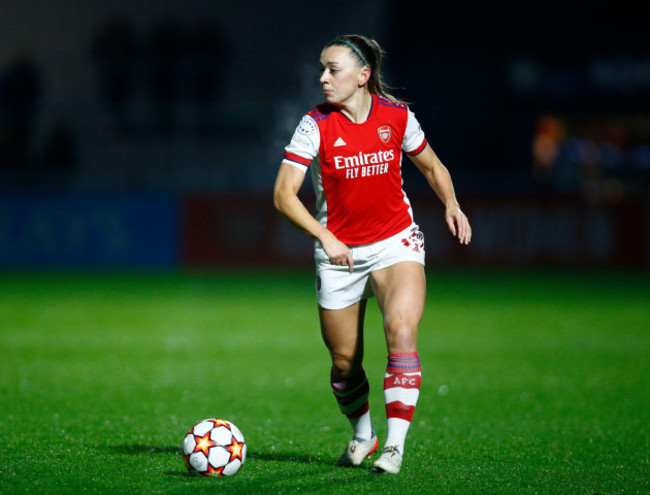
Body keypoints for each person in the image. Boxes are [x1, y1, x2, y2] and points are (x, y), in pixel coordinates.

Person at [273, 34, 471, 474]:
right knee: (344, 363)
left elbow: (432, 166)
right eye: (321, 69)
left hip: (394, 242)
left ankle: (395, 448)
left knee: (400, 329)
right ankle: (364, 434)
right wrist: (324, 236)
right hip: (338, 251)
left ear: (363, 76)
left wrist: (451, 204)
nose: (323, 78)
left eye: (333, 69)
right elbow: (284, 195)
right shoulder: (314, 125)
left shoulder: (397, 118)